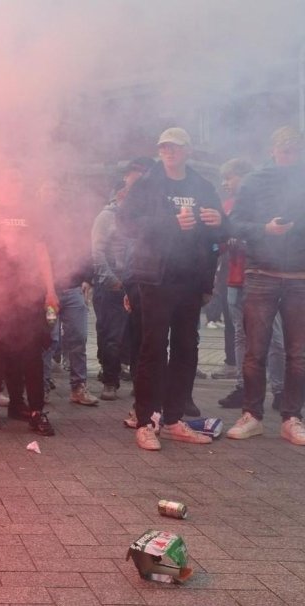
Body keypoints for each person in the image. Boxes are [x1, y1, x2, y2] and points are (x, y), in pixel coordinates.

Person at [118, 128, 226, 451]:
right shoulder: (147, 184)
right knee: (153, 347)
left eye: (176, 147)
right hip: (154, 278)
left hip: (189, 280)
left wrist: (218, 220)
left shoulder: (202, 186)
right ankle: (146, 421)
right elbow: (126, 224)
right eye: (165, 147)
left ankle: (175, 418)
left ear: (188, 151)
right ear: (159, 151)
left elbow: (222, 234)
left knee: (186, 348)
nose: (170, 152)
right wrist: (170, 222)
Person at [0, 168, 58, 437]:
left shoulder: (32, 213)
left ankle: (37, 412)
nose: (13, 186)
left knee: (32, 355)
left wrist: (50, 290)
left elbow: (41, 252)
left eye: (17, 181)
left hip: (28, 293)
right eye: (8, 181)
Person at [226, 126, 305, 443]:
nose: (290, 156)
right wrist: (264, 229)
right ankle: (251, 415)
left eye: (295, 150)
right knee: (255, 351)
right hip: (260, 274)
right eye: (285, 151)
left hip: (300, 277)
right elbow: (235, 223)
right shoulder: (255, 181)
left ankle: (293, 417)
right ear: (273, 150)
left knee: (299, 354)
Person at [93, 157, 153, 401]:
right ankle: (110, 381)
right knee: (113, 336)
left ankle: (140, 383)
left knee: (138, 336)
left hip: (137, 282)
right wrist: (112, 280)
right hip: (114, 285)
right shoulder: (106, 217)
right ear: (119, 194)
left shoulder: (143, 218)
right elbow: (97, 252)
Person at [39, 178, 99, 406]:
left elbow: (85, 249)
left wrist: (87, 278)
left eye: (55, 189)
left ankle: (79, 387)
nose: (52, 194)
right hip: (49, 294)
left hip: (73, 289)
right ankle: (41, 387)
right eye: (47, 189)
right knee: (49, 339)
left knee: (79, 337)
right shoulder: (35, 221)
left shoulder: (71, 221)